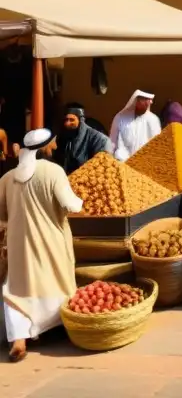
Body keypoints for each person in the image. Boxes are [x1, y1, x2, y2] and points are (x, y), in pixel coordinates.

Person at [1, 129, 83, 362]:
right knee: (54, 279)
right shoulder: (54, 171)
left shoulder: (8, 177)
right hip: (51, 240)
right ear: (44, 147)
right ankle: (61, 328)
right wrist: (81, 200)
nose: (55, 148)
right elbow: (71, 205)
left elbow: (2, 213)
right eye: (52, 145)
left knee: (17, 287)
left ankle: (19, 340)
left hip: (18, 242)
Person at [56, 105, 112, 176]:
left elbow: (100, 169)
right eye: (66, 120)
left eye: (72, 120)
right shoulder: (68, 137)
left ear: (80, 120)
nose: (67, 123)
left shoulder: (99, 139)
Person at [110, 90, 161, 162]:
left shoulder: (153, 119)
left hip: (144, 164)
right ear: (138, 101)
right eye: (147, 100)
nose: (151, 102)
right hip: (123, 163)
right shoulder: (120, 117)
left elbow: (157, 145)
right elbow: (112, 142)